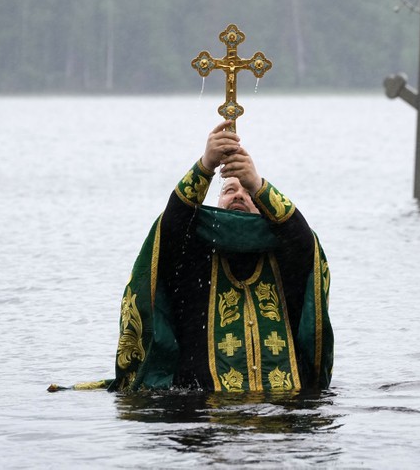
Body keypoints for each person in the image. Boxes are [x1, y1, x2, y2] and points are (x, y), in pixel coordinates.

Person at [107, 120, 332, 392]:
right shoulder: (194, 254)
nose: (239, 195)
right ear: (216, 203)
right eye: (229, 190)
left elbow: (304, 243)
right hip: (202, 402)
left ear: (262, 206)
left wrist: (258, 184)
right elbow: (170, 228)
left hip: (283, 403)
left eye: (248, 193)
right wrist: (205, 166)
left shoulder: (281, 253)